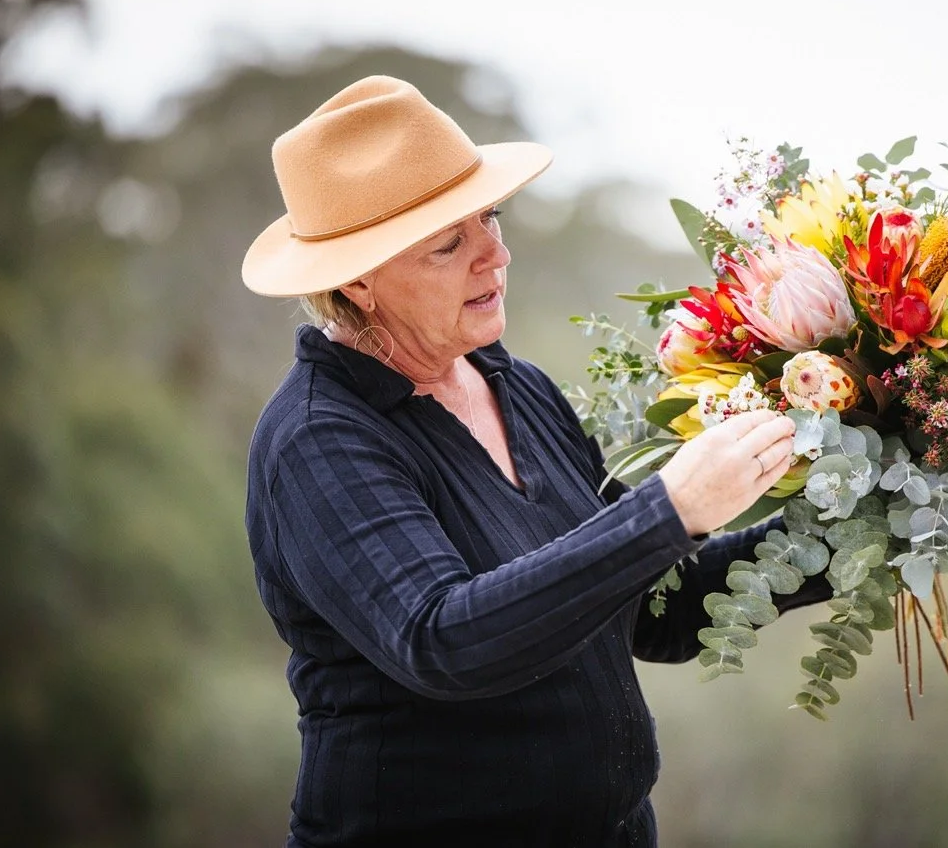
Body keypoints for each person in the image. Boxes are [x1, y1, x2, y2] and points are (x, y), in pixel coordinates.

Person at [242, 74, 830, 848]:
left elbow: (659, 608)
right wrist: (671, 510)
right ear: (356, 279)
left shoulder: (515, 386)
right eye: (450, 243)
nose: (496, 254)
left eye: (489, 216)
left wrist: (854, 531)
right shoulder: (319, 439)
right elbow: (441, 639)